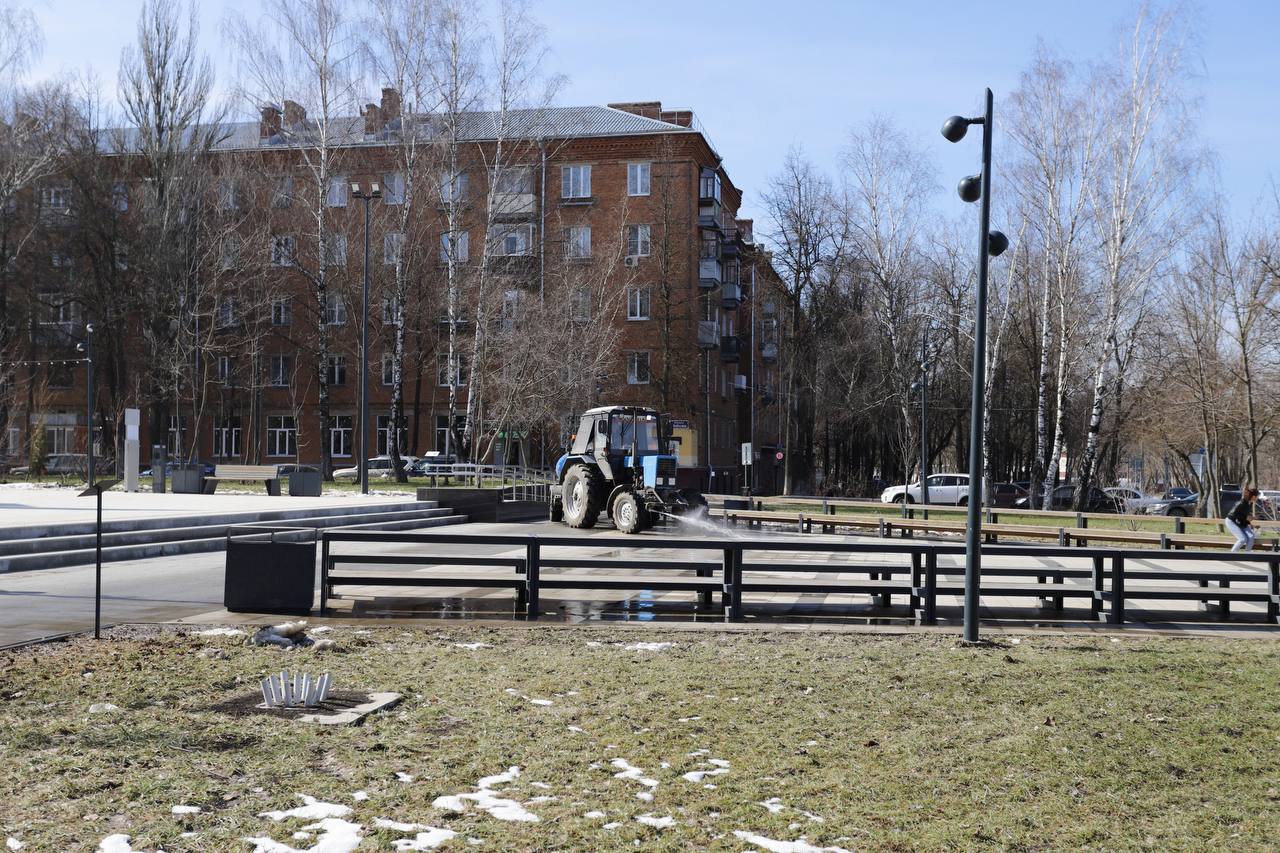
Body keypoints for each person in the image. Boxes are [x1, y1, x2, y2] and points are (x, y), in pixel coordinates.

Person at [1225, 487, 1259, 552]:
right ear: (1253, 496)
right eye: (1257, 496)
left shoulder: (1249, 503)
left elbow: (1243, 516)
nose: (1257, 498)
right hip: (1231, 522)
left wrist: (1250, 523)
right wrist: (1248, 520)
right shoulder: (1242, 503)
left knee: (1251, 537)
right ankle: (1231, 555)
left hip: (1240, 521)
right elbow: (1234, 516)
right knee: (1242, 539)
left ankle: (1247, 554)